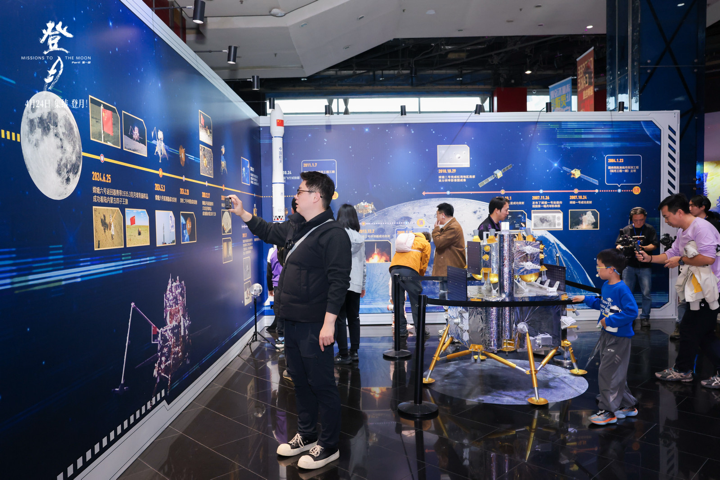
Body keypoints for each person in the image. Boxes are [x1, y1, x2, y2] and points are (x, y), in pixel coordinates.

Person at [228, 171, 351, 469]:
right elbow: (269, 231)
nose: (295, 196)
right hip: (292, 322)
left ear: (316, 197)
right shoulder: (297, 226)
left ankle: (329, 445)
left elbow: (339, 282)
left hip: (315, 323)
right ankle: (307, 435)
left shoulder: (333, 234)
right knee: (299, 382)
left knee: (321, 384)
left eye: (300, 191)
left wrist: (329, 323)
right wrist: (243, 213)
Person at [636, 194, 720, 389]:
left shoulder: (701, 227)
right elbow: (671, 254)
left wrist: (681, 260)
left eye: (667, 217)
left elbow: (708, 258)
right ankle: (683, 370)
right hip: (699, 290)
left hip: (711, 289)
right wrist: (649, 258)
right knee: (698, 332)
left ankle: (683, 370)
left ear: (679, 212)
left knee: (693, 330)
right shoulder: (684, 231)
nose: (666, 221)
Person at [572, 249, 639, 425]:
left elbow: (632, 312)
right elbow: (603, 303)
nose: (597, 270)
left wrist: (610, 320)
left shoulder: (622, 289)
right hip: (607, 334)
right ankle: (627, 405)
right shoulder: (607, 286)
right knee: (615, 371)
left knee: (607, 372)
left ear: (611, 269)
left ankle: (608, 411)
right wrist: (585, 298)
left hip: (619, 338)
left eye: (599, 267)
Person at [615, 207, 658, 328]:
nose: (639, 222)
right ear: (631, 219)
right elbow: (617, 244)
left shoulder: (649, 229)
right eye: (636, 220)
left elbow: (654, 245)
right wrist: (623, 247)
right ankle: (629, 316)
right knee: (627, 293)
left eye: (641, 220)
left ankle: (645, 317)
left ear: (645, 218)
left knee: (646, 293)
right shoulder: (626, 230)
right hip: (629, 265)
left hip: (645, 265)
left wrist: (642, 248)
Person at [334, 204, 366, 365]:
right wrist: (363, 285)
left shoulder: (337, 236)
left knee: (339, 318)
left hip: (340, 283)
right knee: (354, 317)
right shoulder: (360, 238)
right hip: (356, 283)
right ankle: (354, 352)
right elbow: (363, 265)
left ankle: (343, 353)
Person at [389, 232, 431, 338]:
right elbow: (424, 263)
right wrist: (419, 277)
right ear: (427, 239)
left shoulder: (407, 238)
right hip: (410, 270)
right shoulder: (425, 243)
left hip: (394, 269)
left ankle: (401, 330)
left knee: (398, 302)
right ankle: (420, 330)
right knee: (416, 301)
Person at [267, 198, 297, 340]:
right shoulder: (290, 250)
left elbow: (269, 273)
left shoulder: (272, 253)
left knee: (280, 311)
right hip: (288, 285)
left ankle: (281, 337)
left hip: (278, 285)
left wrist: (270, 288)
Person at [432, 203, 466, 300]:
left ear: (443, 215)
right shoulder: (450, 226)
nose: (436, 217)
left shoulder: (453, 227)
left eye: (437, 214)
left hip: (451, 271)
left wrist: (436, 229)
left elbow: (439, 242)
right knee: (445, 298)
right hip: (448, 270)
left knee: (449, 300)